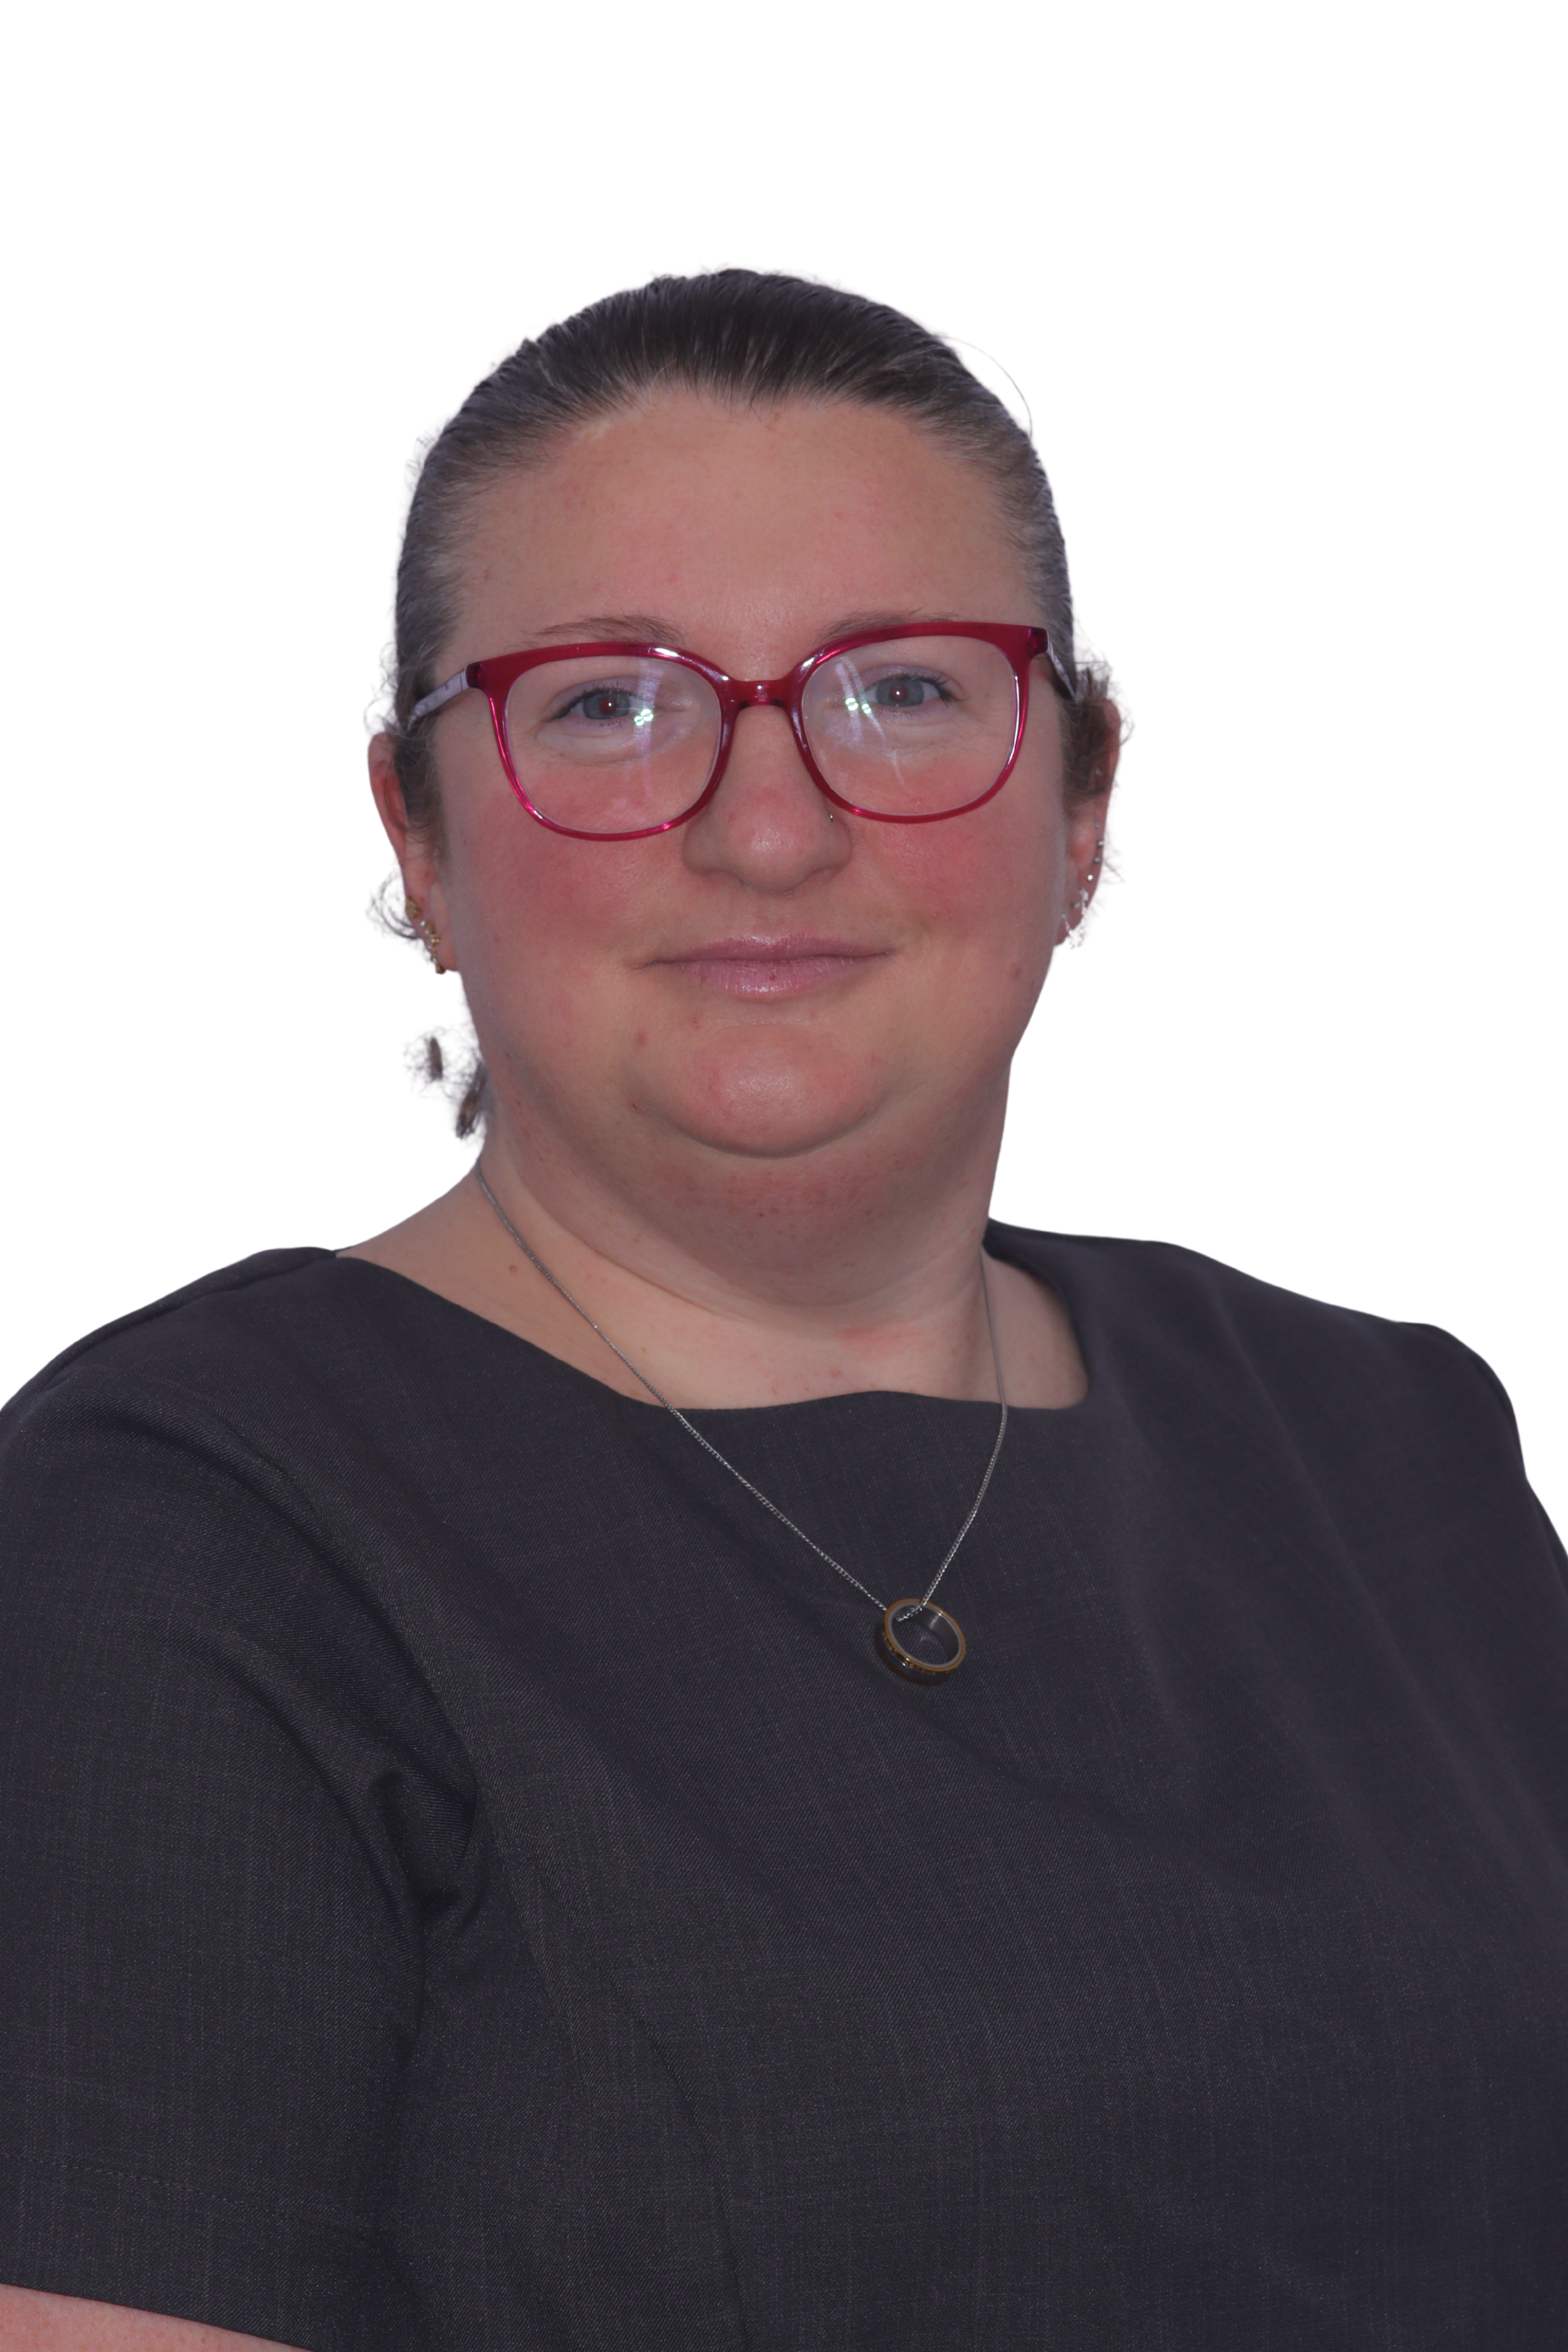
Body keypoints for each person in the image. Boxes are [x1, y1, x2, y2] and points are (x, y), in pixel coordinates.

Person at [1, 271, 1564, 2352]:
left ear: (1080, 806)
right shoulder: (193, 1535)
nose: (764, 826)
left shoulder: (1388, 1446)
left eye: (901, 692)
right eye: (608, 705)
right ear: (424, 838)